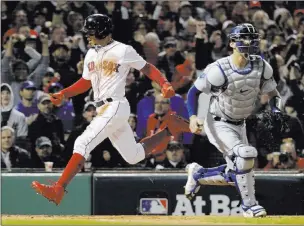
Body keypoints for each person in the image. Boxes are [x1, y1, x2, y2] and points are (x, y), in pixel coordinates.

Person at [31, 14, 187, 205]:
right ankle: (171, 129)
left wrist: (163, 83)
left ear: (101, 31)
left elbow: (147, 68)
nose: (87, 36)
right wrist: (65, 93)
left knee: (82, 142)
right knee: (133, 156)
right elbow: (86, 82)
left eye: (90, 32)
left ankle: (59, 189)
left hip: (115, 105)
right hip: (103, 107)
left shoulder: (123, 50)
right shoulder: (90, 53)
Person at [184, 23, 280, 218]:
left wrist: (276, 110)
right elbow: (193, 92)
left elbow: (273, 94)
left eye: (252, 38)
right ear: (232, 44)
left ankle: (198, 174)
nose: (249, 42)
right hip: (217, 122)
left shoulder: (262, 65)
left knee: (239, 170)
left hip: (241, 123)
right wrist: (193, 117)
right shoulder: (219, 69)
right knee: (245, 156)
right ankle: (250, 206)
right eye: (243, 39)